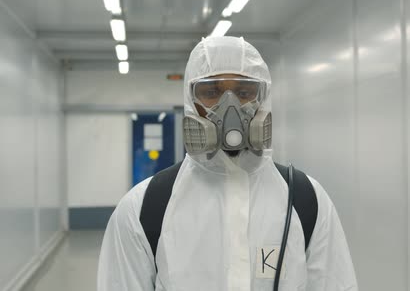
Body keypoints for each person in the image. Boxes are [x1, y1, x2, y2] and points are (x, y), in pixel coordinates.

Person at [97, 36, 357, 291]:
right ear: (190, 101)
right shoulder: (142, 209)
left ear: (263, 98)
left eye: (245, 92)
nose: (230, 106)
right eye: (211, 92)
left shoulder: (306, 200)